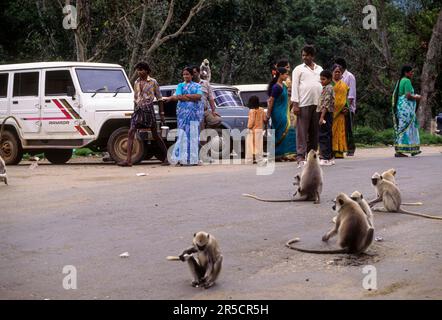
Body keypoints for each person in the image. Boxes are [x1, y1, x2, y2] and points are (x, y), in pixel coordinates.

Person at [118, 62, 169, 167]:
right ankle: (128, 160)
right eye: (138, 70)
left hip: (148, 110)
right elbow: (135, 98)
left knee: (155, 135)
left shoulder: (153, 82)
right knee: (131, 131)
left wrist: (162, 113)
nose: (139, 72)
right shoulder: (136, 82)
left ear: (147, 71)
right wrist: (134, 111)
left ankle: (167, 157)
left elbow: (159, 98)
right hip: (138, 110)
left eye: (141, 69)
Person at [163, 67, 203, 165]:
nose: (185, 76)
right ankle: (181, 158)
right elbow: (179, 96)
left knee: (193, 135)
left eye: (187, 74)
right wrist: (191, 97)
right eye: (184, 74)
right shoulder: (180, 85)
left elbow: (199, 96)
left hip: (194, 114)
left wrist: (185, 97)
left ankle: (193, 159)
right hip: (182, 114)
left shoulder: (197, 85)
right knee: (182, 134)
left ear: (192, 75)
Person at [291, 45, 323, 164]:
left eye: (306, 55)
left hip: (317, 104)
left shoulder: (319, 68)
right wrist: (295, 104)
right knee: (302, 132)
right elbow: (294, 86)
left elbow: (323, 85)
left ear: (312, 56)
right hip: (303, 104)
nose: (304, 57)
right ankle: (300, 156)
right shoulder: (298, 69)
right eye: (303, 55)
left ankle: (312, 155)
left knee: (314, 131)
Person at [266, 67, 297, 161]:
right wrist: (268, 114)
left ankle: (283, 154)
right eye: (286, 74)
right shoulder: (276, 87)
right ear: (281, 75)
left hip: (284, 112)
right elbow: (271, 101)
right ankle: (277, 155)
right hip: (278, 113)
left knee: (285, 132)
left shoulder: (283, 86)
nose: (287, 76)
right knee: (281, 131)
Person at [392, 65, 422, 157]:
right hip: (406, 109)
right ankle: (400, 150)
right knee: (407, 128)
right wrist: (417, 97)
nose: (412, 74)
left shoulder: (400, 81)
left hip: (401, 108)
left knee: (402, 128)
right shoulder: (407, 81)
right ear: (406, 72)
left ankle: (409, 149)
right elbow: (408, 95)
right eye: (411, 72)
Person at [335, 57, 356, 156]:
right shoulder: (337, 77)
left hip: (347, 107)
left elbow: (351, 95)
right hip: (338, 108)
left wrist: (347, 107)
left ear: (341, 66)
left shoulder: (349, 76)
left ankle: (351, 148)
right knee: (341, 129)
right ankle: (342, 147)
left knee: (348, 128)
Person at [317, 70, 335, 165]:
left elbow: (326, 104)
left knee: (323, 136)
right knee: (328, 135)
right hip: (327, 114)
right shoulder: (326, 87)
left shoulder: (328, 88)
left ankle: (325, 158)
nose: (321, 81)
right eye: (320, 79)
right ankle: (331, 157)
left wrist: (321, 117)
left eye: (323, 79)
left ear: (329, 79)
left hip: (325, 114)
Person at [331, 64, 349, 159]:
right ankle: (330, 150)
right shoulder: (329, 84)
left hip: (341, 113)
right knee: (331, 131)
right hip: (331, 112)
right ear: (332, 73)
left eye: (339, 72)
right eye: (336, 72)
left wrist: (346, 108)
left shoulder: (344, 85)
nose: (337, 73)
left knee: (340, 131)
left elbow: (345, 99)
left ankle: (339, 151)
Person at [245, 96, 266, 164]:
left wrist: (248, 127)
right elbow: (265, 119)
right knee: (259, 146)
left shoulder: (251, 111)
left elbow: (251, 122)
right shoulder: (262, 110)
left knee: (250, 146)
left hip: (252, 130)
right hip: (259, 130)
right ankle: (259, 159)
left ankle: (250, 160)